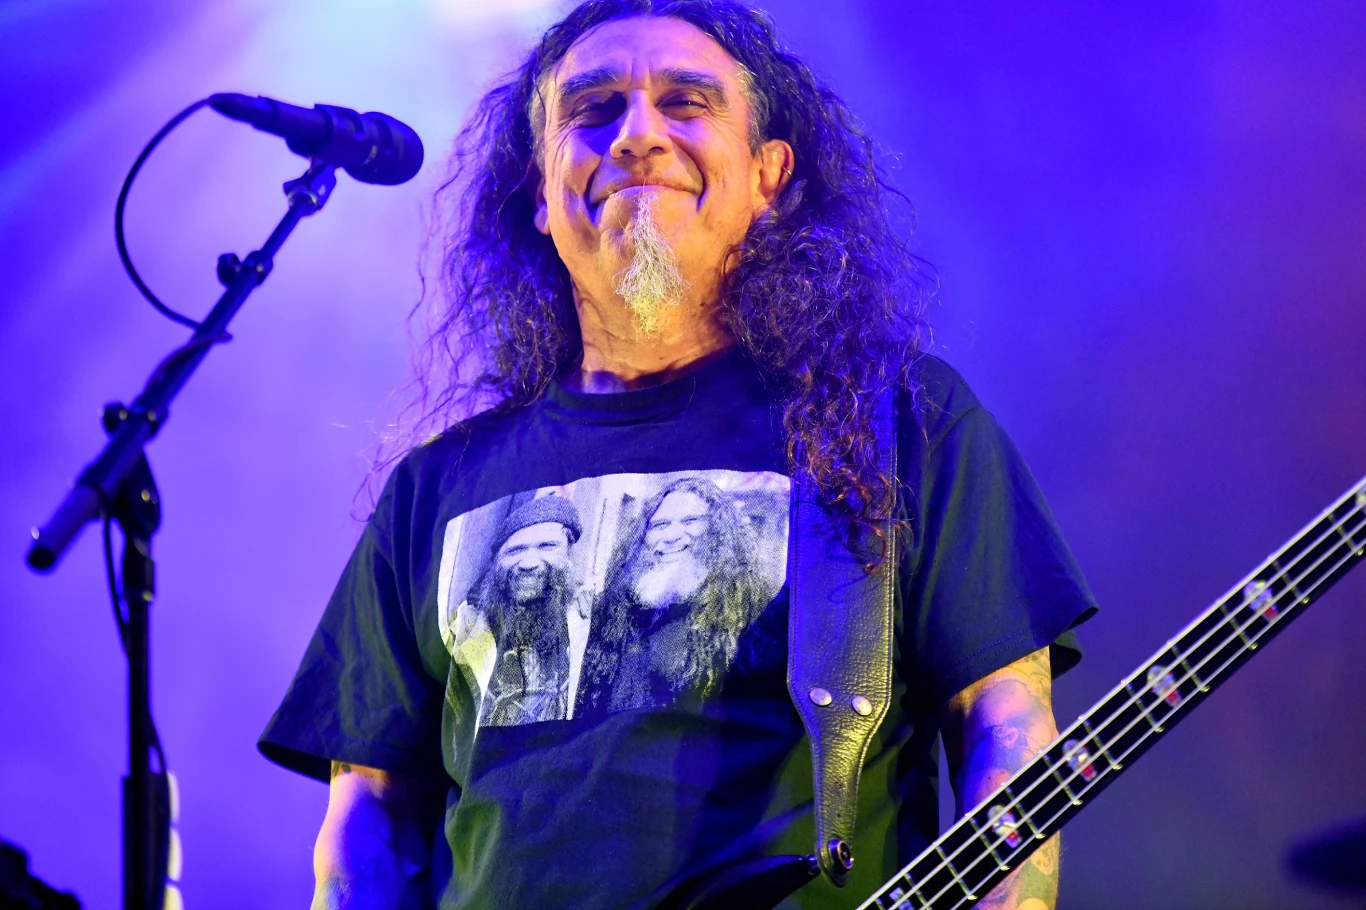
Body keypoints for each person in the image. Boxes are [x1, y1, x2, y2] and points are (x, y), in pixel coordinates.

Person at [258, 2, 1098, 908]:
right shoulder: (436, 487)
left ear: (769, 176)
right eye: (593, 110)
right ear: (540, 191)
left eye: (686, 103)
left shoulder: (891, 423)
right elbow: (370, 821)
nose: (636, 136)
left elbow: (1006, 733)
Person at [575, 475, 775, 714]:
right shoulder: (618, 606)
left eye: (690, 521)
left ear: (717, 530)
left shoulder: (750, 612)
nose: (671, 536)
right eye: (660, 525)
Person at [459, 495, 585, 726]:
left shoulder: (588, 622)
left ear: (569, 553)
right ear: (497, 561)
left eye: (547, 546)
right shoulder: (465, 627)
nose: (528, 563)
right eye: (515, 550)